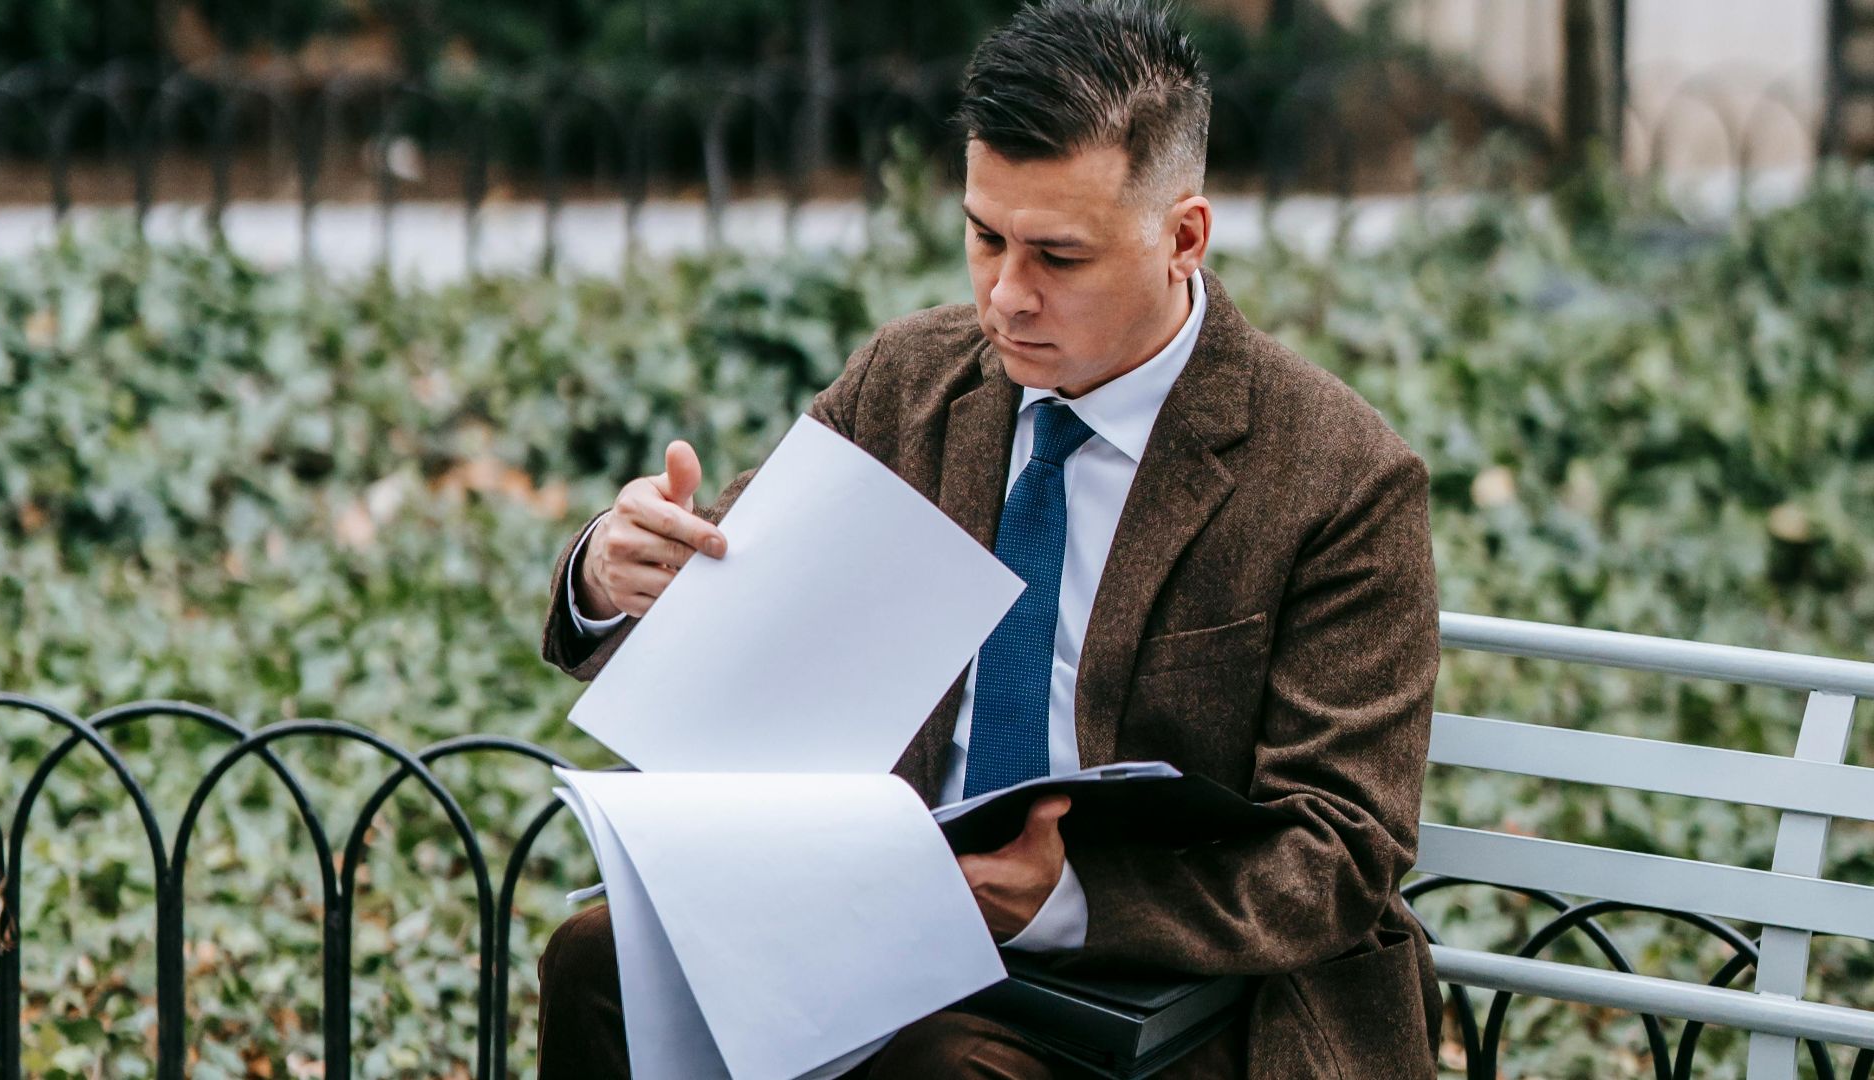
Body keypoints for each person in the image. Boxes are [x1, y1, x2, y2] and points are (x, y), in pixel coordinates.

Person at [534, 1, 1441, 1075]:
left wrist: (1067, 900)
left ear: (1182, 238)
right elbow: (722, 584)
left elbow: (1342, 854)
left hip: (1179, 990)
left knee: (939, 1070)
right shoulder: (912, 383)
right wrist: (613, 571)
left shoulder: (1338, 476)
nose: (1007, 296)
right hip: (891, 925)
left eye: (1058, 255)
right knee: (599, 960)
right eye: (984, 236)